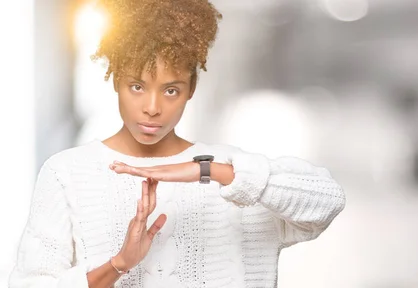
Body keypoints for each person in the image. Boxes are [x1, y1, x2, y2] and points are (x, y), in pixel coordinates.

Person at [8, 0, 346, 287]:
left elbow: (326, 202)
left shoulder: (235, 176)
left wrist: (208, 170)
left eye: (171, 90)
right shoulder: (67, 172)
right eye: (137, 86)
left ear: (191, 90)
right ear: (114, 81)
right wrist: (120, 264)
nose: (152, 107)